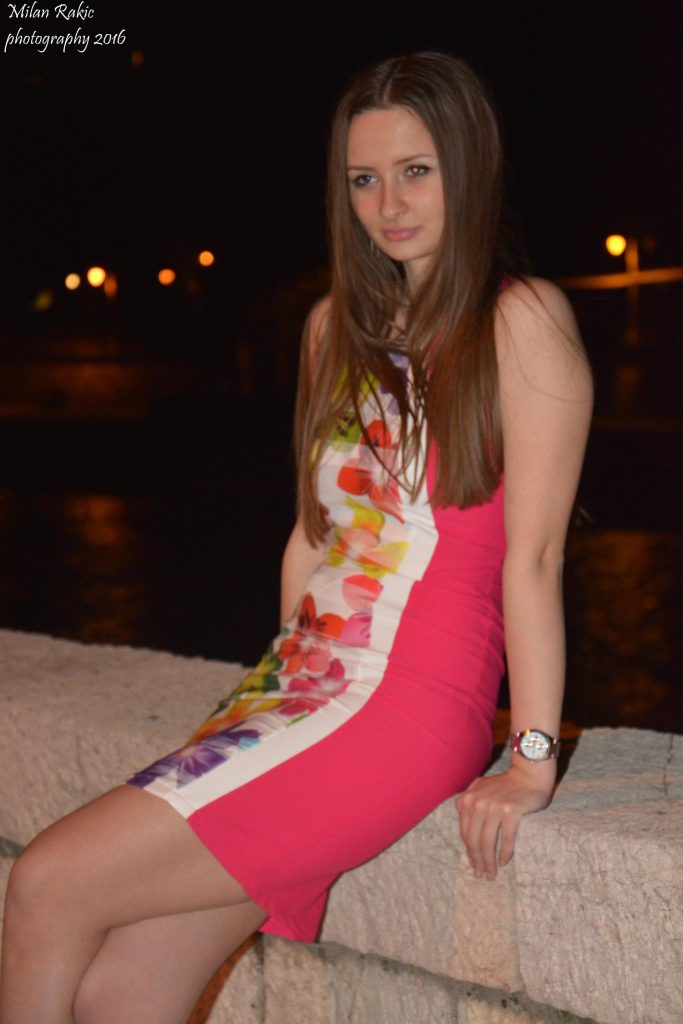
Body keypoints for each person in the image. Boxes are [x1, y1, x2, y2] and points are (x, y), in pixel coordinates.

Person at [0, 51, 593, 1024]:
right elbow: (308, 541)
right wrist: (269, 703)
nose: (387, 204)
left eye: (415, 171)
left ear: (468, 167)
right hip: (299, 692)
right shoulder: (332, 330)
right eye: (363, 179)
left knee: (45, 884)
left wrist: (530, 756)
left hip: (406, 703)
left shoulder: (518, 321)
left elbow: (533, 560)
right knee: (123, 994)